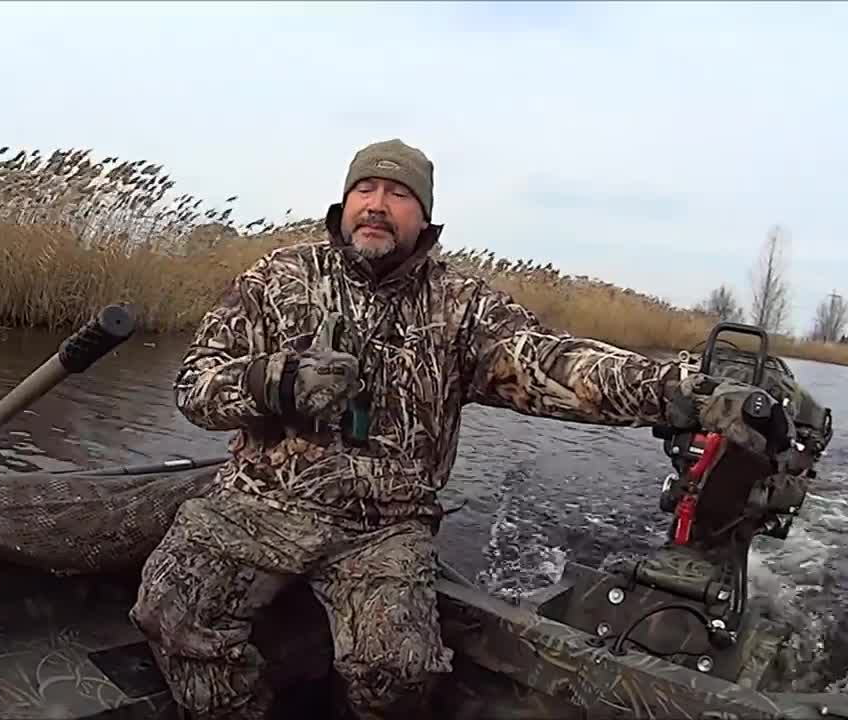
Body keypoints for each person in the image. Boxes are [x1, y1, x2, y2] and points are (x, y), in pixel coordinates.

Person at [129, 139, 790, 719]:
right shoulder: (275, 278)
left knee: (399, 670)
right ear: (343, 201)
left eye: (398, 193)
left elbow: (555, 364)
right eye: (366, 188)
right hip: (256, 502)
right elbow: (195, 386)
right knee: (171, 611)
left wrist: (683, 391)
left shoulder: (461, 305)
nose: (378, 204)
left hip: (383, 527)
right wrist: (275, 381)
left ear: (425, 216)